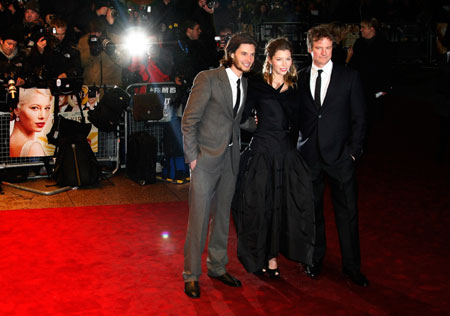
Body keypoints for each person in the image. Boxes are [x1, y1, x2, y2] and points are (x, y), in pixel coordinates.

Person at [232, 38, 315, 278]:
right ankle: (260, 257)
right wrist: (251, 125)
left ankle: (274, 259)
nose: (284, 64)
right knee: (259, 207)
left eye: (288, 59)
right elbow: (241, 115)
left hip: (285, 154)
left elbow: (302, 121)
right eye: (279, 59)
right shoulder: (255, 84)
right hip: (261, 153)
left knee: (285, 207)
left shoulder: (296, 88)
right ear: (269, 60)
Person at [181, 32, 257, 299]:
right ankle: (191, 274)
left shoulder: (244, 84)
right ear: (231, 53)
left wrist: (256, 124)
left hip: (231, 159)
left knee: (222, 217)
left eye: (252, 54)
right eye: (244, 53)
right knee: (199, 219)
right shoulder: (208, 78)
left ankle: (217, 266)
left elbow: (234, 120)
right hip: (205, 159)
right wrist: (192, 157)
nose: (249, 59)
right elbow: (189, 120)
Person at [296, 25, 369, 287]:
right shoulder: (301, 77)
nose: (324, 53)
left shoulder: (349, 77)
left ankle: (352, 266)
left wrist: (352, 152)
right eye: (319, 48)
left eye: (328, 48)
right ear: (309, 49)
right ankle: (315, 260)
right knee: (312, 213)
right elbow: (298, 117)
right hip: (310, 157)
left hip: (340, 157)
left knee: (347, 213)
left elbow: (360, 118)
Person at [10, 88, 53, 157]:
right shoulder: (34, 148)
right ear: (16, 109)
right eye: (35, 108)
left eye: (47, 108)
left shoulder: (6, 143)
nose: (43, 116)